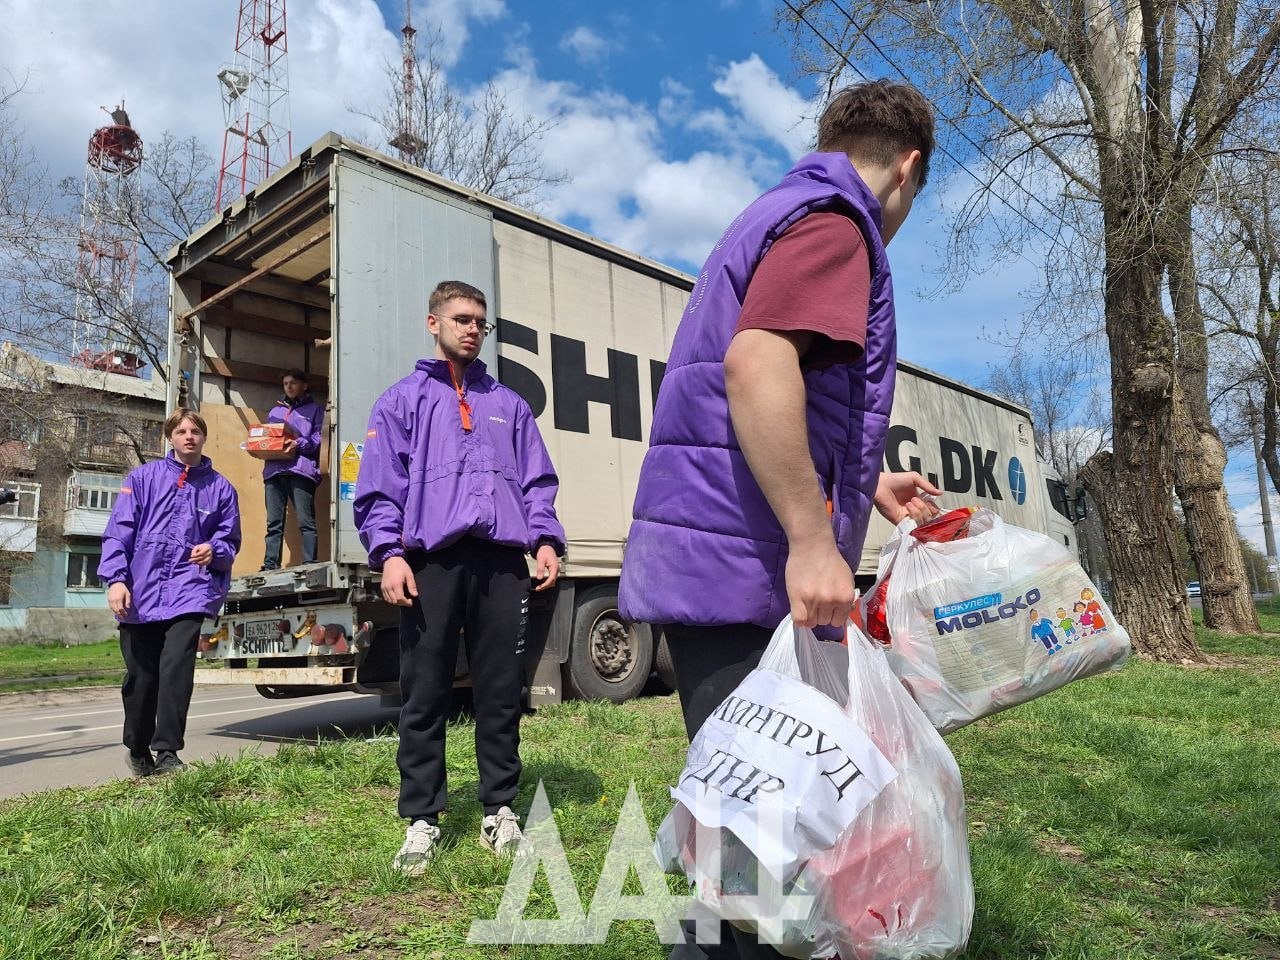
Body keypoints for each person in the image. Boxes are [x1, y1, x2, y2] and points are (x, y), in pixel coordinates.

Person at [618, 80, 940, 960]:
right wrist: (808, 538)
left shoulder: (775, 211)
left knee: (756, 844)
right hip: (747, 566)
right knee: (755, 864)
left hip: (714, 554)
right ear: (908, 168)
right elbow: (758, 366)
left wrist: (865, 483)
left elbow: (786, 388)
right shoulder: (837, 224)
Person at [354, 279, 565, 874]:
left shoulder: (510, 404)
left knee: (500, 691)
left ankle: (499, 809)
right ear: (434, 322)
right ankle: (422, 817)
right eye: (462, 319)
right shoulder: (401, 402)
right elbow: (379, 488)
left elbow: (537, 481)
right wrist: (389, 553)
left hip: (501, 563)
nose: (472, 329)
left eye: (480, 322)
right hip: (431, 564)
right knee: (425, 692)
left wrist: (545, 538)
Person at [99, 408, 241, 777]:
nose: (188, 436)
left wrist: (216, 551)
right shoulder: (143, 478)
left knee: (176, 670)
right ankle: (137, 746)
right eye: (181, 431)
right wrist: (116, 579)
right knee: (141, 678)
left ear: (203, 437)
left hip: (189, 589)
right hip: (139, 594)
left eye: (195, 430)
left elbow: (229, 542)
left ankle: (167, 753)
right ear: (170, 437)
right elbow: (119, 532)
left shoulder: (221, 488)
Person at [261, 368, 324, 569]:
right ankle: (270, 564)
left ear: (304, 386)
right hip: (273, 471)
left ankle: (309, 563)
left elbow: (319, 440)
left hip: (301, 471)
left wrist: (299, 443)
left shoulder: (315, 410)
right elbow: (269, 437)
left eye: (293, 383)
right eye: (286, 383)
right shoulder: (274, 411)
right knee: (273, 523)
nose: (289, 386)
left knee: (306, 521)